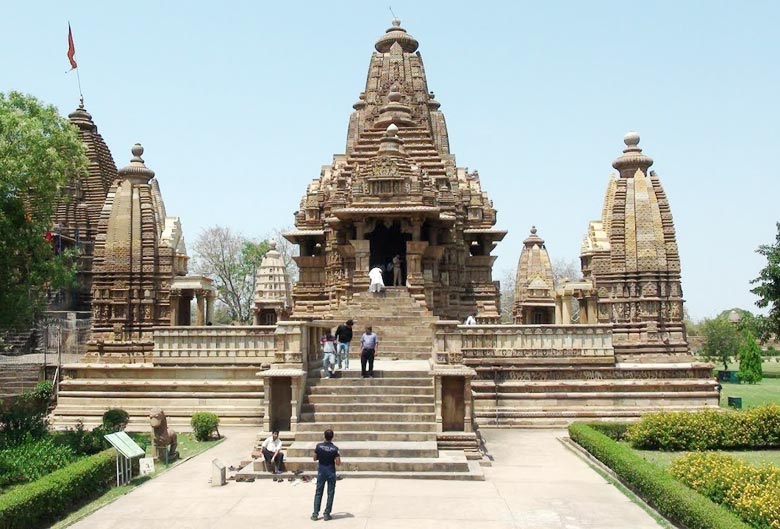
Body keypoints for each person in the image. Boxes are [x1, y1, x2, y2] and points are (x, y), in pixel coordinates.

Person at [311, 429, 341, 521]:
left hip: (321, 471)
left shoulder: (319, 446)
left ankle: (315, 514)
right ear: (332, 437)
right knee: (330, 493)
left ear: (324, 436)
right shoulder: (335, 449)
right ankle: (327, 514)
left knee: (318, 492)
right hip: (331, 472)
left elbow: (314, 458)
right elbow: (338, 462)